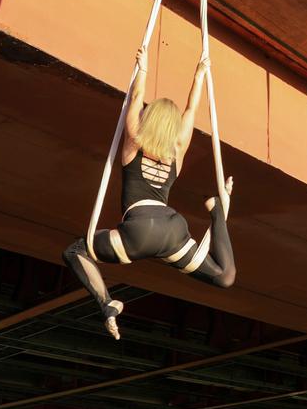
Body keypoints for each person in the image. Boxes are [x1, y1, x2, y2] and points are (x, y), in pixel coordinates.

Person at [62, 48, 235, 338]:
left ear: (149, 118)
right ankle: (217, 211)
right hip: (171, 229)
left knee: (76, 251)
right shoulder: (176, 150)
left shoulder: (134, 144)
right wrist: (199, 76)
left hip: (140, 231)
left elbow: (134, 98)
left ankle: (108, 304)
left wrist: (142, 70)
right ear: (173, 126)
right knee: (224, 277)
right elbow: (191, 111)